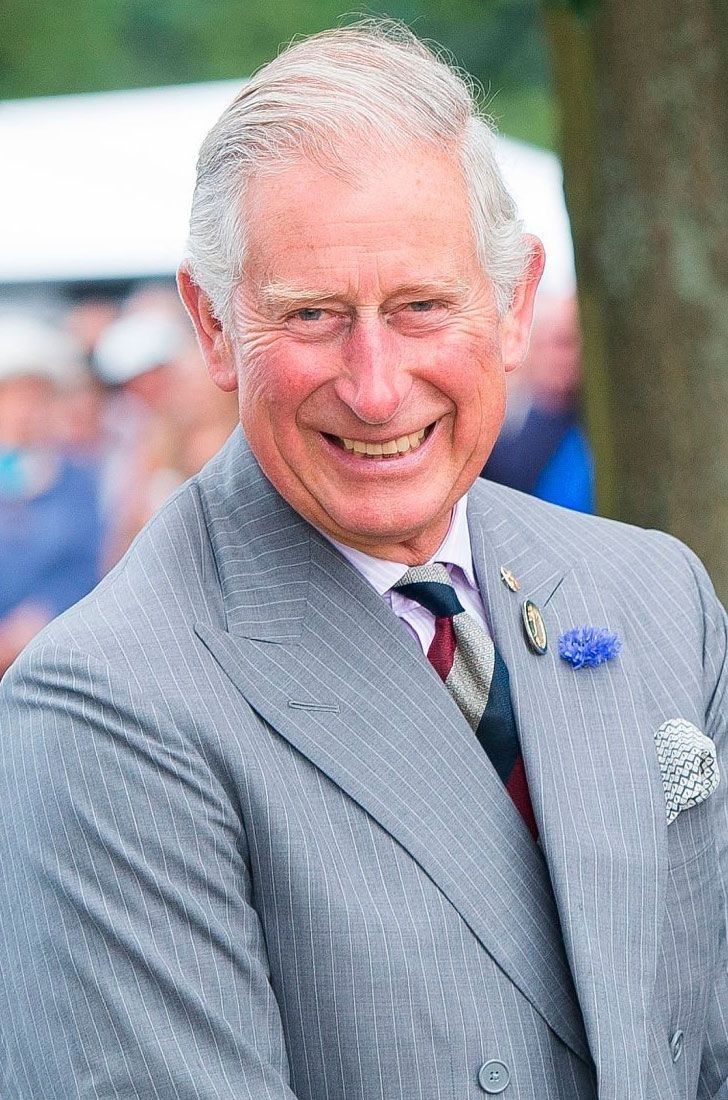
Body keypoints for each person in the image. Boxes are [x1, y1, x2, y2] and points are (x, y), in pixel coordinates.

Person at [0, 23, 725, 1100]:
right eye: (312, 315)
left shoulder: (654, 592)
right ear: (211, 324)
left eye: (421, 305)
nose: (376, 385)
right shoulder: (105, 704)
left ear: (515, 301)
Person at [0, 314, 102, 676]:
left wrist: (40, 617)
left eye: (36, 397)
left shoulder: (75, 478)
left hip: (47, 657)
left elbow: (85, 564)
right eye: (13, 396)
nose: (25, 410)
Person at [482, 293, 595, 512]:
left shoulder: (597, 428)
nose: (564, 358)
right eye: (556, 343)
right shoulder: (502, 446)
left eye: (570, 344)